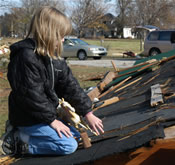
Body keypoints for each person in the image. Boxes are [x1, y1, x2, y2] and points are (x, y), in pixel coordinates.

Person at [0, 6, 104, 156]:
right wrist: (52, 121)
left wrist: (87, 112)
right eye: (60, 35)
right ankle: (18, 142)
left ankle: (27, 137)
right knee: (68, 145)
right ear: (47, 33)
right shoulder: (25, 58)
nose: (63, 39)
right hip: (28, 118)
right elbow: (32, 97)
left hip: (43, 115)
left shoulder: (52, 57)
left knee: (75, 137)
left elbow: (69, 85)